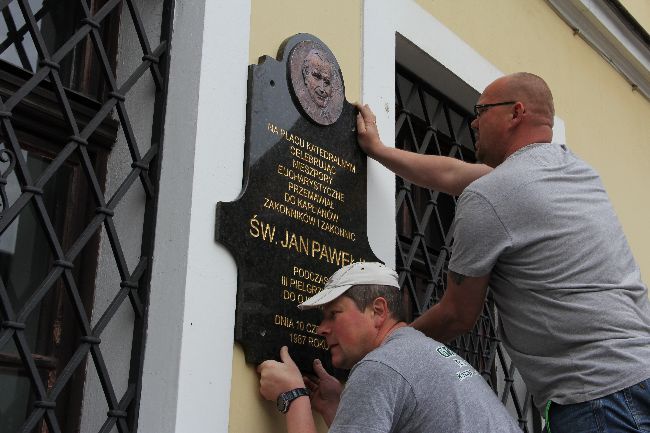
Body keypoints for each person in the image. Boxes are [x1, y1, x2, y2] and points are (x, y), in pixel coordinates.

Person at [356, 72, 650, 432]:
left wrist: (385, 351)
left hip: (597, 398)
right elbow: (453, 173)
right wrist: (379, 149)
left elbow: (456, 315)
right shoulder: (574, 171)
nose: (473, 121)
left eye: (481, 110)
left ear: (516, 113)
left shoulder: (490, 196)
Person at [257, 261, 522, 433]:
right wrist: (337, 408)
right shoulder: (415, 352)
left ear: (378, 310)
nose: (321, 329)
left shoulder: (380, 367)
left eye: (333, 314)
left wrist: (294, 397)